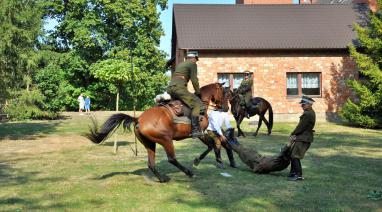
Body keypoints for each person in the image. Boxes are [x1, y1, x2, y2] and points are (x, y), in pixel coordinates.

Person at [166, 51, 205, 138]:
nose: (196, 61)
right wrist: (198, 92)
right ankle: (195, 130)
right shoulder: (192, 64)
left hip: (170, 88)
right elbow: (194, 79)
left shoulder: (181, 64)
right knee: (197, 105)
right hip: (179, 88)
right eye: (196, 59)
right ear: (194, 58)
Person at [287, 95, 316, 181]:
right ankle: (293, 173)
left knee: (295, 156)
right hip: (303, 137)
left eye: (303, 104)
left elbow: (301, 127)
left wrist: (293, 133)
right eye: (302, 104)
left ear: (309, 104)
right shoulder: (309, 112)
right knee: (292, 154)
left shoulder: (308, 114)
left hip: (304, 138)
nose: (302, 106)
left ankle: (298, 175)